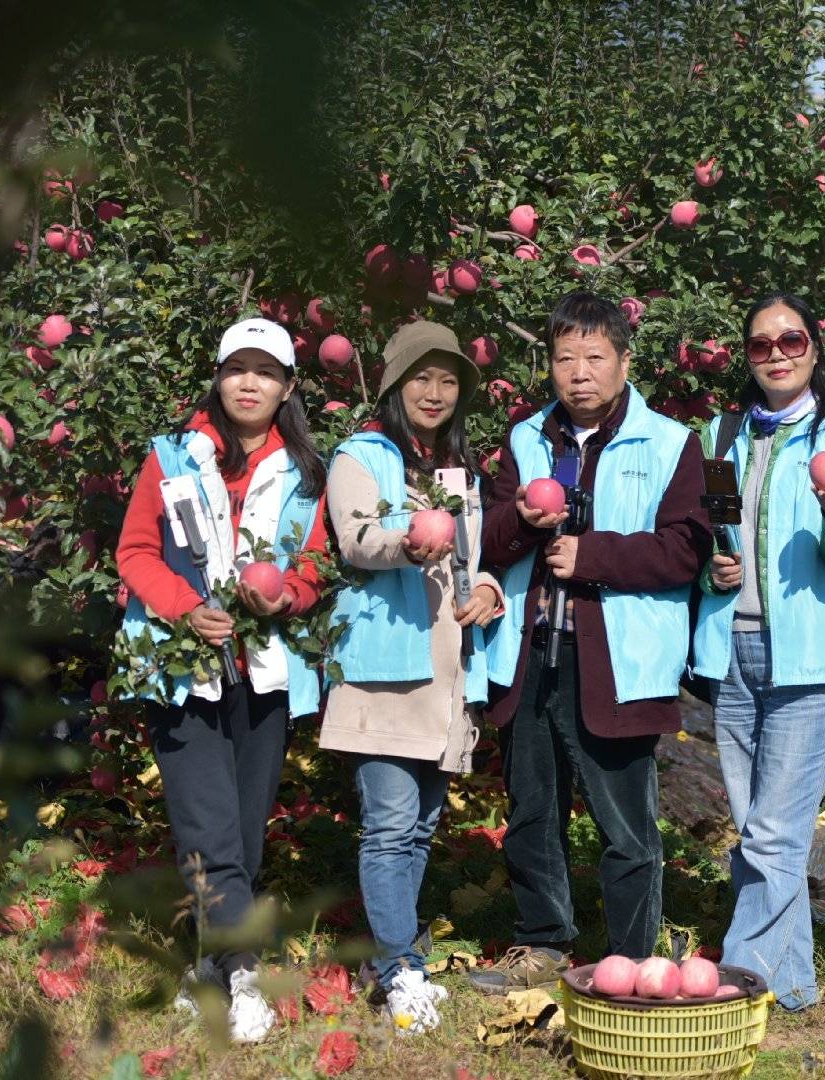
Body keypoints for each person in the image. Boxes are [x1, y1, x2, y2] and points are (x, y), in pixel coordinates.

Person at [472, 291, 711, 992]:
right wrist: (522, 521)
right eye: (565, 358)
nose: (579, 373)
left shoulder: (669, 443)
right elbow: (488, 538)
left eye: (595, 357)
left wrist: (594, 556)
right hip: (529, 648)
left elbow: (686, 549)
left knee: (626, 822)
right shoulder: (525, 440)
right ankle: (543, 941)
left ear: (624, 362)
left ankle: (632, 960)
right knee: (532, 808)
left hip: (617, 658)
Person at [115, 317, 329, 1044]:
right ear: (218, 377)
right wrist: (187, 608)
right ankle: (244, 974)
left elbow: (314, 562)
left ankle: (208, 964)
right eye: (237, 368)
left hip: (263, 670)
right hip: (181, 668)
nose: (249, 383)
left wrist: (287, 595)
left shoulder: (306, 472)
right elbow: (136, 551)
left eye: (265, 372)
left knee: (241, 833)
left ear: (287, 388)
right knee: (207, 829)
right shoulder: (172, 456)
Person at [690, 292, 825, 1011]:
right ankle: (794, 985)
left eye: (790, 340)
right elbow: (697, 539)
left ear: (814, 348)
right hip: (732, 647)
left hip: (810, 656)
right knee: (760, 833)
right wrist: (712, 570)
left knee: (772, 833)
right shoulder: (721, 433)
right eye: (761, 345)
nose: (776, 354)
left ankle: (738, 981)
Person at [320, 320, 499, 1034]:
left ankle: (391, 960)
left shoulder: (456, 470)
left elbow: (475, 556)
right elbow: (357, 539)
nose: (435, 392)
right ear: (395, 384)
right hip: (386, 668)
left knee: (420, 828)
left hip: (446, 670)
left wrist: (488, 589)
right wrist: (409, 541)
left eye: (449, 381)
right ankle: (401, 969)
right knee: (391, 826)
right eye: (421, 378)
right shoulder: (360, 456)